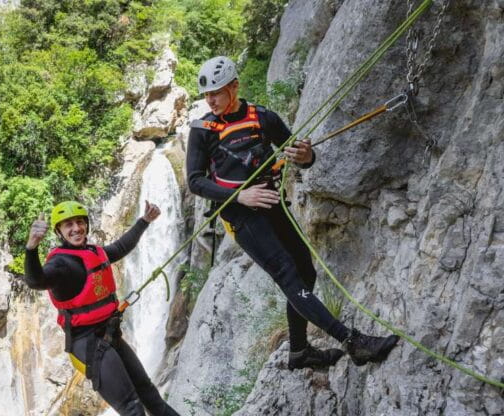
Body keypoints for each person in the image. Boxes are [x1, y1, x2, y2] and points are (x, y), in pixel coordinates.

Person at [185, 56, 399, 370]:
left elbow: (299, 157)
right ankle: (352, 341)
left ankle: (300, 353)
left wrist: (306, 155)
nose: (211, 100)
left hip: (272, 204)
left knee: (306, 271)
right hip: (242, 216)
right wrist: (240, 195)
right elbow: (195, 181)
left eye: (216, 92)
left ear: (234, 86)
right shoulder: (203, 130)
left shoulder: (263, 118)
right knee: (287, 273)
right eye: (206, 95)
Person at [24, 200, 180, 416]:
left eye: (79, 222)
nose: (76, 228)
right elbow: (36, 281)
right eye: (68, 225)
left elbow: (120, 247)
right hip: (87, 344)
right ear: (59, 231)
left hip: (110, 335)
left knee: (149, 394)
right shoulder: (60, 265)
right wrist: (31, 248)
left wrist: (145, 221)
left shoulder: (92, 252)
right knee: (131, 407)